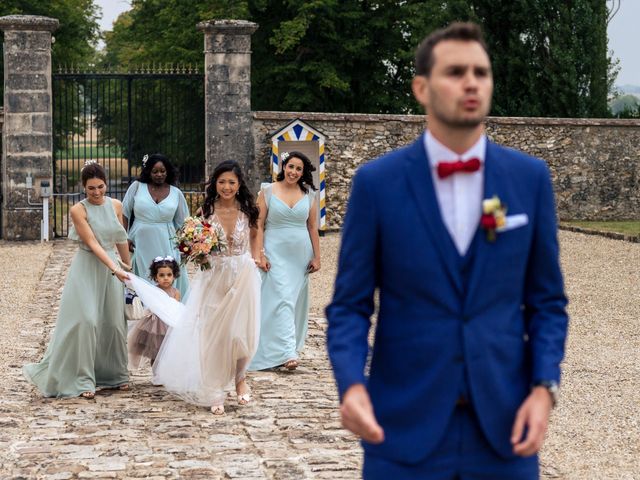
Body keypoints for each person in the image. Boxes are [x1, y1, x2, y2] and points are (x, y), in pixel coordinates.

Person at [326, 22, 569, 479]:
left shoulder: (529, 179)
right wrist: (352, 384)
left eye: (482, 71)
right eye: (456, 71)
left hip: (504, 431)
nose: (472, 82)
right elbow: (350, 307)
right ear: (421, 87)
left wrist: (543, 388)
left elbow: (548, 304)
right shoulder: (377, 184)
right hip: (400, 430)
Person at [135, 160, 261, 415]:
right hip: (214, 277)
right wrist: (199, 252)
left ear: (239, 185)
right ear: (215, 183)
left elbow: (256, 234)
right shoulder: (206, 211)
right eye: (222, 181)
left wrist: (257, 258)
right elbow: (191, 242)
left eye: (232, 182)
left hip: (242, 275)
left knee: (240, 334)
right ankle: (214, 386)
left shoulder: (248, 210)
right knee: (211, 333)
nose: (226, 187)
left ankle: (239, 379)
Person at [23, 162, 132, 399]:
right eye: (91, 188)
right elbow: (93, 243)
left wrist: (128, 266)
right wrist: (115, 268)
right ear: (83, 188)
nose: (96, 192)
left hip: (112, 268)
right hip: (87, 267)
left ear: (106, 184)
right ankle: (82, 379)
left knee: (113, 322)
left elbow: (120, 237)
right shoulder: (77, 211)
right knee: (87, 321)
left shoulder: (116, 205)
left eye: (100, 187)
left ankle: (115, 374)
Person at [249, 151, 321, 372]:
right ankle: (288, 352)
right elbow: (258, 224)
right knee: (282, 298)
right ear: (283, 167)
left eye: (299, 169)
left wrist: (317, 257)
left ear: (303, 172)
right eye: (291, 167)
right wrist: (260, 253)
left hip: (299, 255)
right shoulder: (267, 190)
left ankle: (280, 348)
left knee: (291, 300)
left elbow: (312, 227)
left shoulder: (308, 194)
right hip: (274, 250)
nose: (294, 172)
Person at [122, 153, 189, 298]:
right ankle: (145, 313)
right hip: (140, 241)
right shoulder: (137, 187)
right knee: (143, 277)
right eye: (155, 171)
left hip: (167, 241)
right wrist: (125, 238)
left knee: (165, 277)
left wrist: (184, 245)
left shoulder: (176, 193)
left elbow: (184, 222)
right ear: (148, 172)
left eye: (162, 171)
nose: (159, 174)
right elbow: (125, 212)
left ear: (168, 172)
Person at [128, 256, 181, 369]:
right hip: (155, 325)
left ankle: (165, 373)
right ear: (155, 277)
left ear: (174, 275)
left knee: (168, 351)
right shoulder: (154, 290)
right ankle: (156, 373)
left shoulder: (176, 292)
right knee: (155, 351)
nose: (165, 278)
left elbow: (175, 308)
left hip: (169, 324)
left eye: (169, 275)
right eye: (161, 275)